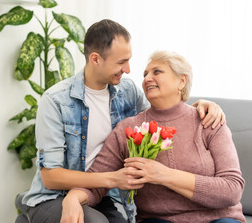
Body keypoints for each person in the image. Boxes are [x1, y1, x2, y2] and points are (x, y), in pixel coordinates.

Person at [20, 20, 225, 223]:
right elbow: (51, 176)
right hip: (55, 196)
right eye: (120, 62)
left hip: (103, 195)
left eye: (128, 60)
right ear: (95, 59)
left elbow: (159, 119)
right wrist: (112, 179)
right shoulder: (56, 100)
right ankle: (27, 210)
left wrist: (199, 105)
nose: (127, 69)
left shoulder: (128, 91)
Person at [60, 50, 245, 223]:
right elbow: (97, 181)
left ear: (182, 81)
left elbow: (232, 190)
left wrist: (163, 175)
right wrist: (73, 198)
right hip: (158, 220)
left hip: (218, 218)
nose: (147, 78)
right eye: (144, 74)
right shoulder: (129, 129)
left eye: (157, 71)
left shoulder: (208, 121)